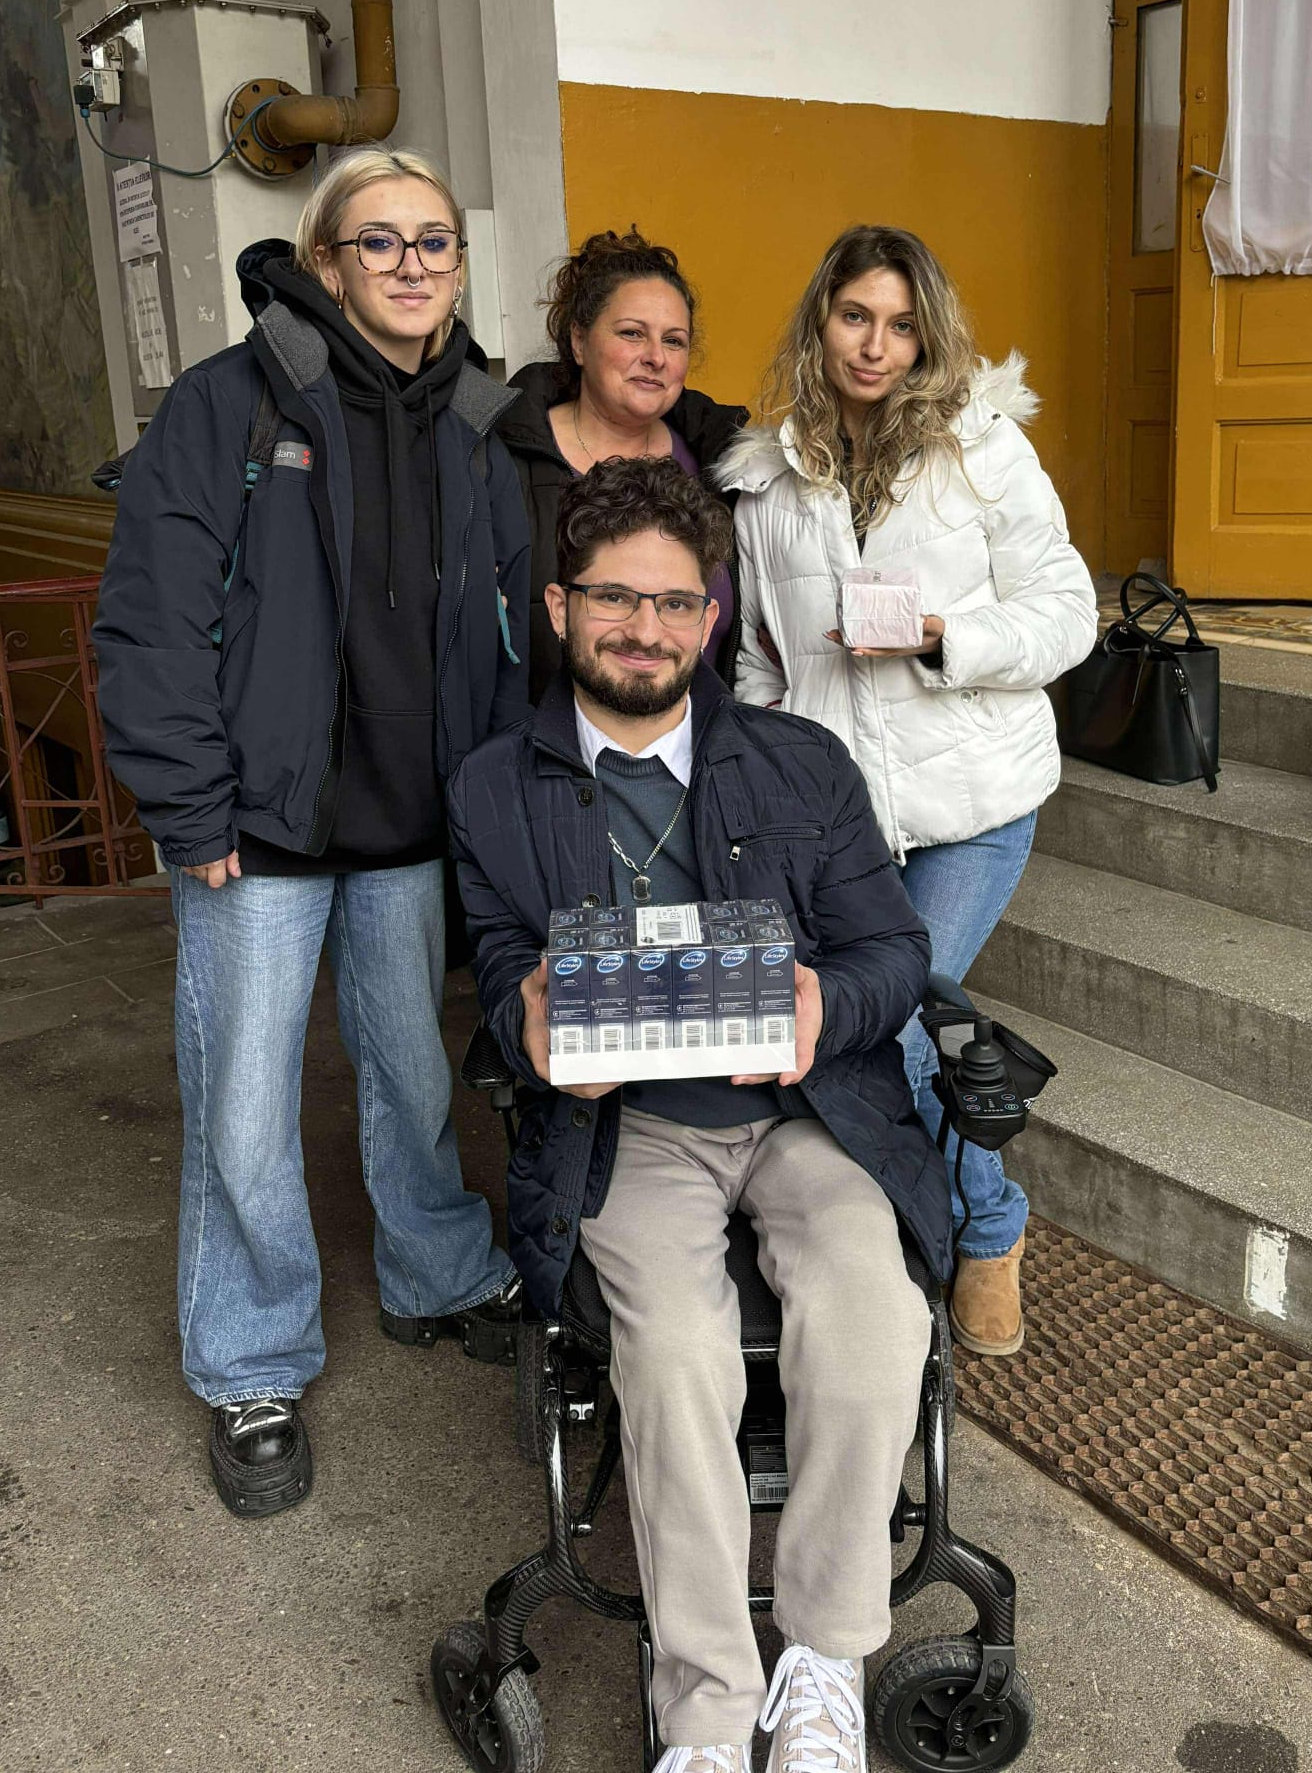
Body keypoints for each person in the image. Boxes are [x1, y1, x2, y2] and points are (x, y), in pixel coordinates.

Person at [450, 457, 950, 1773]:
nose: (644, 628)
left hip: (805, 1112)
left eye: (675, 603)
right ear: (560, 608)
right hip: (629, 1131)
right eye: (614, 598)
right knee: (675, 1354)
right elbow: (497, 957)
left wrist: (825, 1007)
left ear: (712, 619)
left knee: (874, 1308)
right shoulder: (494, 786)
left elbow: (894, 951)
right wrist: (529, 1022)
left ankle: (825, 1661)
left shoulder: (801, 762)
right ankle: (713, 1707)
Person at [94, 148, 529, 1518]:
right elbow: (153, 618)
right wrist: (189, 803)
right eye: (379, 240)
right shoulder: (229, 403)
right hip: (258, 824)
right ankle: (250, 1360)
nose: (412, 263)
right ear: (327, 261)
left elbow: (512, 622)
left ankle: (436, 1273)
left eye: (435, 240)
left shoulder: (476, 416)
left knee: (412, 1073)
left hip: (410, 819)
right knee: (243, 1097)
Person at [718, 226, 1096, 1358]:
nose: (875, 346)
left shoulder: (984, 452)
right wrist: (775, 777)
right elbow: (760, 665)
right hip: (840, 823)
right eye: (855, 318)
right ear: (820, 321)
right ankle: (917, 1232)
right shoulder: (769, 480)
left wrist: (944, 639)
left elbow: (1068, 615)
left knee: (904, 1025)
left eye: (900, 325)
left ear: (928, 336)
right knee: (870, 1031)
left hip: (972, 804)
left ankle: (985, 1228)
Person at [500, 228, 747, 698]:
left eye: (674, 341)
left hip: (700, 736)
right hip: (543, 737)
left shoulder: (723, 467)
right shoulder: (505, 460)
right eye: (632, 333)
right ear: (579, 341)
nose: (655, 357)